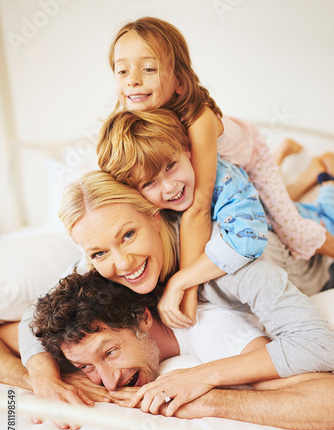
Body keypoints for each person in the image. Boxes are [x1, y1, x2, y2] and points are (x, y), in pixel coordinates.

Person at [19, 171, 334, 401]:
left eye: (128, 235)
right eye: (99, 252)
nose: (124, 264)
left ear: (156, 218)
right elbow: (32, 317)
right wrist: (42, 377)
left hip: (317, 251)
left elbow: (321, 346)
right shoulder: (103, 270)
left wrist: (204, 375)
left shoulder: (231, 259)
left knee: (320, 207)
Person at [106, 16, 334, 323]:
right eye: (122, 71)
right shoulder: (138, 126)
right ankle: (307, 174)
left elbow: (199, 207)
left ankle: (304, 171)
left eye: (149, 68)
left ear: (179, 82)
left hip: (249, 158)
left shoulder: (198, 120)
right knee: (255, 203)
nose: (133, 79)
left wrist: (185, 288)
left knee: (291, 230)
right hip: (229, 173)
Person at [96, 109, 334, 325]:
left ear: (188, 149)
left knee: (321, 214)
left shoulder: (222, 177)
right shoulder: (143, 205)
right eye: (149, 182)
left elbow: (248, 240)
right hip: (255, 206)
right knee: (266, 200)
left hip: (305, 228)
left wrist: (180, 281)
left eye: (171, 166)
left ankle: (327, 179)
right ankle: (304, 172)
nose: (169, 188)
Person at [30, 269, 334, 430]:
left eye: (109, 353)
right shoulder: (81, 343)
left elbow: (327, 400)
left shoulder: (215, 331)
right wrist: (43, 376)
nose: (108, 382)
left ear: (143, 319)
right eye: (86, 367)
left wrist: (213, 402)